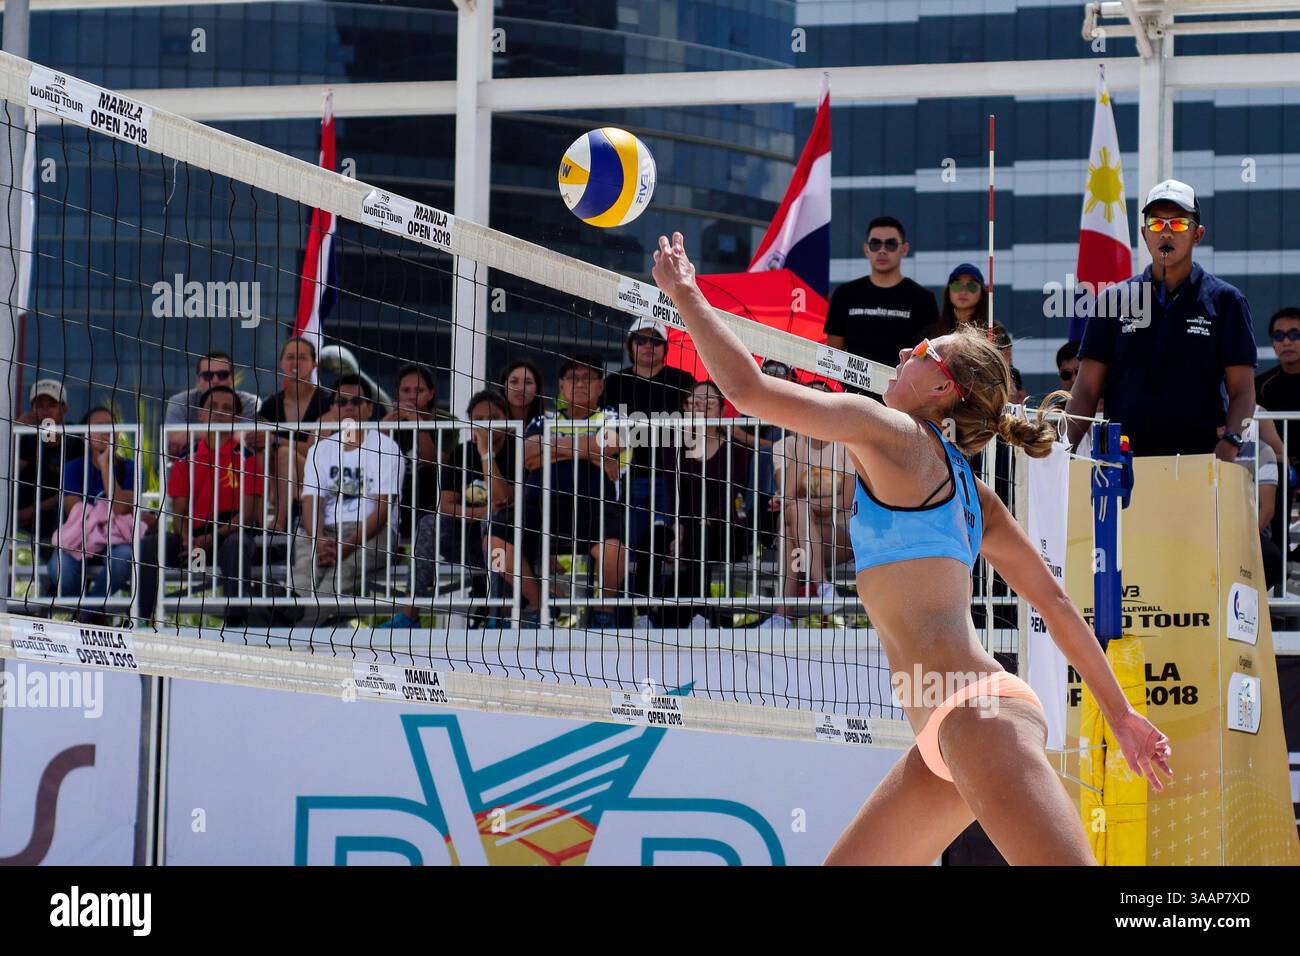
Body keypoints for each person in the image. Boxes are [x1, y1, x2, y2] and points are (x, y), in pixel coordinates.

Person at [652, 230, 1171, 865]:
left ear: (941, 389)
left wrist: (686, 294)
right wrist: (1120, 717)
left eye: (922, 350)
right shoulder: (970, 490)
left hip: (977, 715)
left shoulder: (892, 431)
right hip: (944, 732)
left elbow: (751, 393)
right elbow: (1057, 604)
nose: (904, 348)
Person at [1067, 180, 1257, 457]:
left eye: (1178, 224)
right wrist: (1061, 450)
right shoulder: (1111, 300)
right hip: (1121, 463)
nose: (1166, 233)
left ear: (1198, 234)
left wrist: (1231, 442)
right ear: (1144, 233)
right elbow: (1085, 389)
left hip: (1198, 460)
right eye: (1156, 224)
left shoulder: (1226, 301)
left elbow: (1242, 389)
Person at [490, 355, 626, 629]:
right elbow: (528, 454)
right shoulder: (543, 419)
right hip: (539, 508)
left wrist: (551, 448)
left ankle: (604, 612)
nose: (580, 384)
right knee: (496, 548)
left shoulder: (613, 417)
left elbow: (610, 443)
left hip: (593, 508)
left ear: (600, 386)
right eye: (573, 379)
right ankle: (537, 603)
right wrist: (588, 451)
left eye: (587, 378)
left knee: (613, 551)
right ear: (561, 386)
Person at [380, 389, 520, 629]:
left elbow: (505, 499)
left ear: (507, 422)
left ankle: (500, 615)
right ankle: (410, 615)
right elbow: (445, 505)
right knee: (428, 524)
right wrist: (482, 513)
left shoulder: (517, 451)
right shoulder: (462, 453)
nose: (485, 424)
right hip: (463, 540)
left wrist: (486, 454)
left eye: (493, 417)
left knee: (495, 524)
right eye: (478, 418)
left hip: (503, 542)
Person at [137, 386, 264, 627]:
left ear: (237, 418)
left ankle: (236, 626)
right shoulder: (185, 460)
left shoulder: (248, 459)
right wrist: (187, 539)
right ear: (200, 414)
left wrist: (210, 538)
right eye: (212, 407)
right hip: (193, 541)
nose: (219, 413)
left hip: (229, 536)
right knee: (150, 546)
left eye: (227, 409)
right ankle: (142, 621)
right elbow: (179, 512)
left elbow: (245, 517)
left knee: (237, 544)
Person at [288, 375, 404, 627]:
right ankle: (294, 633)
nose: (349, 406)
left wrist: (345, 547)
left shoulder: (387, 447)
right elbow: (310, 501)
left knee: (336, 578)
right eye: (342, 402)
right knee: (302, 578)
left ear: (369, 408)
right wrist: (319, 540)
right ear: (333, 409)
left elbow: (383, 510)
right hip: (323, 531)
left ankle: (289, 634)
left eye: (357, 401)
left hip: (371, 532)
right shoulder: (321, 448)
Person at [599, 316, 697, 599]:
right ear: (631, 346)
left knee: (664, 546)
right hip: (631, 477)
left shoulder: (683, 381)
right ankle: (632, 613)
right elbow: (603, 426)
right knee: (632, 547)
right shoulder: (615, 383)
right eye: (641, 340)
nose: (648, 346)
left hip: (672, 477)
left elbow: (699, 426)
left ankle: (658, 611)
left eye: (655, 340)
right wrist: (608, 459)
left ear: (665, 347)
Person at [653, 380, 754, 628]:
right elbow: (671, 493)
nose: (701, 406)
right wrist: (677, 529)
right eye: (694, 402)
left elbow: (732, 497)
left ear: (722, 409)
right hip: (684, 527)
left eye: (709, 401)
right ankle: (646, 615)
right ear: (685, 409)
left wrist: (698, 525)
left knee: (700, 535)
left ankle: (699, 613)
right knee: (654, 538)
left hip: (724, 528)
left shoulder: (737, 451)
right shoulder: (673, 447)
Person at [764, 380, 854, 628]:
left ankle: (782, 616)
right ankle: (824, 588)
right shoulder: (787, 446)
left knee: (793, 520)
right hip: (803, 540)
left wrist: (809, 505)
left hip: (840, 535)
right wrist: (803, 441)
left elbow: (846, 501)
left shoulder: (846, 445)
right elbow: (788, 494)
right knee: (791, 526)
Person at [45, 407, 137, 622]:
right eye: (99, 427)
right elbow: (72, 509)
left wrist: (106, 467)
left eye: (111, 427)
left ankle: (85, 615)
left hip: (117, 537)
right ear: (85, 435)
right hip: (84, 537)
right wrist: (105, 513)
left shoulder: (130, 467)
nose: (107, 432)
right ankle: (90, 613)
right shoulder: (73, 468)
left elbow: (123, 507)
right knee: (59, 567)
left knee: (124, 558)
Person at [824, 216, 941, 369]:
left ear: (904, 249)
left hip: (904, 390)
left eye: (891, 244)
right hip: (851, 391)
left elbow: (928, 358)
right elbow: (833, 354)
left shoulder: (923, 299)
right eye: (875, 244)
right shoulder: (844, 295)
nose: (882, 250)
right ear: (866, 249)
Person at [258, 337, 333, 533]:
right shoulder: (270, 405)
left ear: (314, 363)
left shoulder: (327, 401)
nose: (295, 363)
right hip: (279, 478)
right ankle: (258, 517)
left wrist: (275, 439)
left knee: (283, 452)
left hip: (318, 474)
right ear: (281, 363)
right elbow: (260, 443)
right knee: (263, 452)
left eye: (302, 357)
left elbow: (314, 450)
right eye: (290, 357)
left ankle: (279, 522)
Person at [381, 362, 443, 537]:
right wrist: (383, 429)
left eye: (419, 391)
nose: (411, 397)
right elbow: (371, 459)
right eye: (405, 391)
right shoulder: (388, 421)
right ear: (397, 393)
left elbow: (432, 462)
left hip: (428, 496)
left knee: (426, 476)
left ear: (431, 394)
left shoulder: (446, 421)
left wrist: (418, 425)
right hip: (394, 493)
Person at [16, 379, 79, 545]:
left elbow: (73, 491)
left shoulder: (77, 438)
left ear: (64, 409)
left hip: (64, 515)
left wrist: (29, 511)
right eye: (39, 405)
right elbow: (10, 473)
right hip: (33, 519)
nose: (45, 411)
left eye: (51, 405)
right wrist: (14, 432)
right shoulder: (26, 438)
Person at [163, 350, 261, 458]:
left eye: (222, 375)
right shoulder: (180, 401)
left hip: (236, 465)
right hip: (191, 466)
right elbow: (173, 440)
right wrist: (224, 433)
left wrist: (192, 434)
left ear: (232, 379)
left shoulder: (250, 401)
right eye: (208, 375)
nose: (215, 380)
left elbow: (244, 438)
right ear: (198, 380)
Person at [937, 264, 989, 333]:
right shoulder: (931, 334)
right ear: (948, 292)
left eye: (972, 286)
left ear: (982, 294)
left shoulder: (994, 333)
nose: (963, 291)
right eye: (956, 285)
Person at [499, 359, 546, 424]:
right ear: (503, 386)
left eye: (528, 382)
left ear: (537, 388)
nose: (521, 388)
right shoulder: (493, 423)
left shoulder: (550, 422)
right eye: (514, 381)